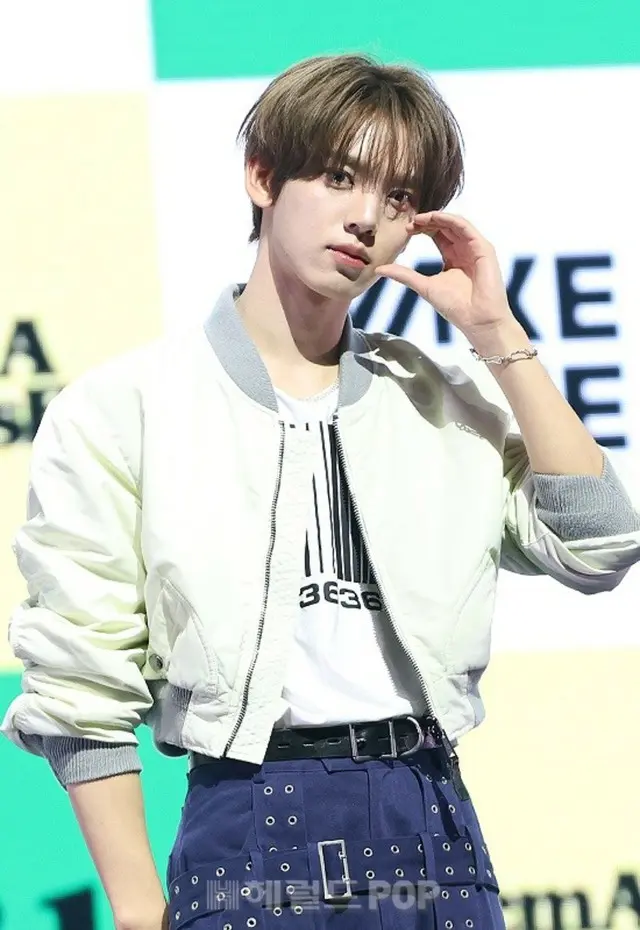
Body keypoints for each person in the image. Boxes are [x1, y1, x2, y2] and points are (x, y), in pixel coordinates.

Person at [2, 53, 640, 930]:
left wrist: (496, 330)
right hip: (247, 826)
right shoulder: (127, 408)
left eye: (399, 198)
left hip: (430, 822)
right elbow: (81, 688)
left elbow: (599, 543)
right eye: (339, 177)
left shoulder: (437, 401)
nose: (366, 218)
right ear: (262, 176)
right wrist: (142, 913)